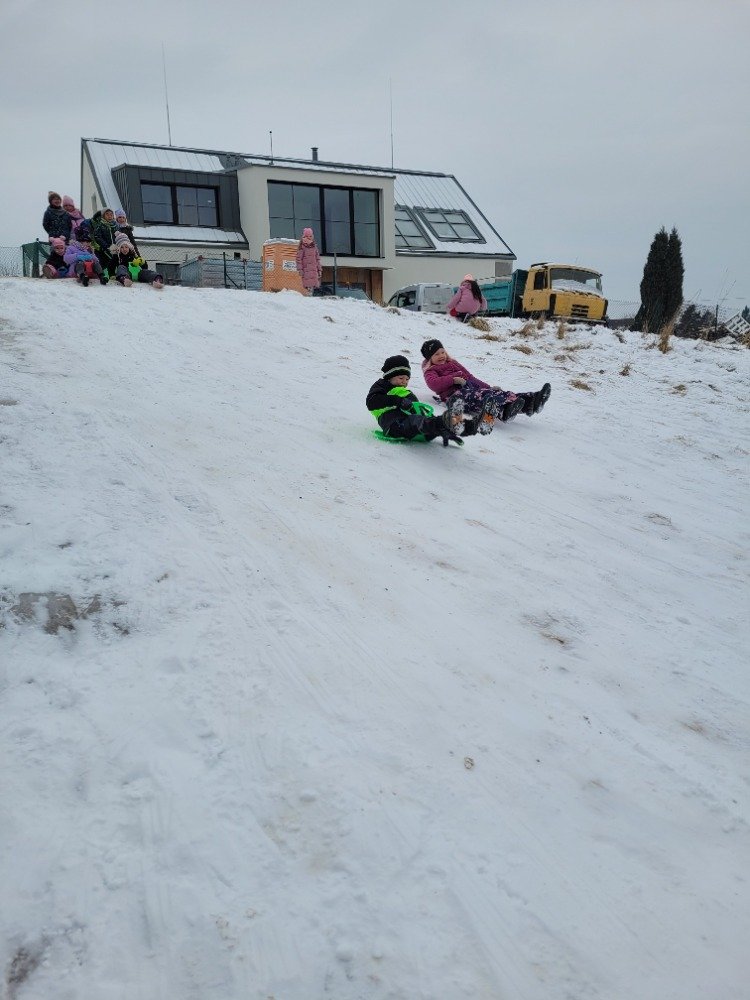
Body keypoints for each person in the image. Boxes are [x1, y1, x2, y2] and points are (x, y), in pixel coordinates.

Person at [366, 355, 497, 447]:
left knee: (442, 421)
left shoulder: (401, 391)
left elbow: (417, 408)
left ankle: (476, 426)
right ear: (389, 376)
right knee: (420, 421)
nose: (404, 382)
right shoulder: (382, 386)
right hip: (395, 425)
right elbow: (371, 402)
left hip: (416, 426)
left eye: (407, 379)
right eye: (401, 378)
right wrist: (398, 401)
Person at [421, 338, 551, 423]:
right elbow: (434, 384)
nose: (441, 356)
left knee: (494, 393)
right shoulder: (431, 371)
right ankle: (504, 410)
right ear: (429, 358)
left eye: (442, 352)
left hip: (469, 389)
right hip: (454, 397)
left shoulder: (453, 363)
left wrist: (488, 387)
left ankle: (532, 401)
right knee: (484, 397)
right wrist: (453, 379)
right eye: (436, 354)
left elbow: (470, 377)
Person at [92, 207, 118, 276]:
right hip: (102, 249)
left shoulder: (115, 226)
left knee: (113, 262)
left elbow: (118, 236)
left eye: (111, 214)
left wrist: (116, 245)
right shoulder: (100, 225)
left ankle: (112, 275)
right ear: (103, 216)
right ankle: (99, 275)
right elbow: (97, 237)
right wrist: (106, 246)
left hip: (113, 248)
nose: (109, 216)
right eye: (107, 214)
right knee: (102, 263)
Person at [295, 227, 321, 295]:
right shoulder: (302, 246)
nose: (309, 237)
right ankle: (308, 296)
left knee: (312, 287)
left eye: (310, 236)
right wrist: (300, 270)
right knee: (308, 287)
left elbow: (317, 259)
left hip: (314, 270)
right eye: (307, 236)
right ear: (305, 236)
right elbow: (298, 259)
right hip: (306, 270)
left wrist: (319, 269)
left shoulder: (314, 246)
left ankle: (310, 296)